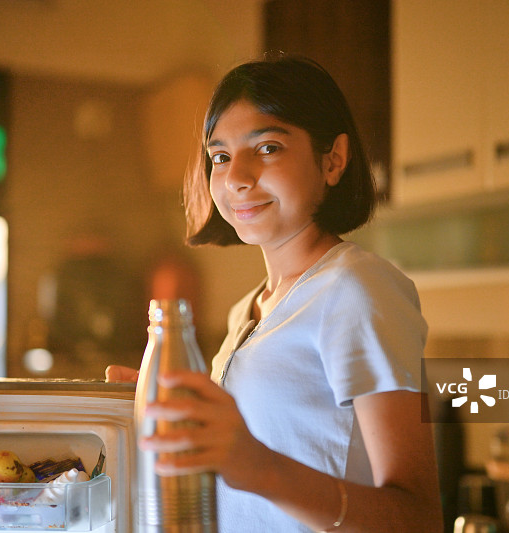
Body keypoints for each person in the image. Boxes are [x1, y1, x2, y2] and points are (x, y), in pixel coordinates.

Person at [106, 55, 442, 532]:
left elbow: (419, 518)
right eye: (220, 156)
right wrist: (161, 401)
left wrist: (259, 467)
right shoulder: (250, 309)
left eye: (266, 148)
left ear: (333, 160)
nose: (237, 176)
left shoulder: (356, 290)